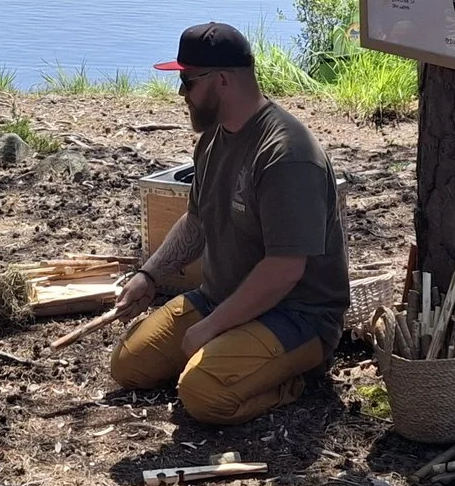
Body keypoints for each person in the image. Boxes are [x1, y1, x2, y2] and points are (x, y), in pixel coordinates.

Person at [110, 23, 351, 426]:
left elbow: (285, 270)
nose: (182, 94)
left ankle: (295, 381)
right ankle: (228, 360)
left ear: (223, 80)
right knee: (129, 366)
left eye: (187, 81)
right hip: (220, 297)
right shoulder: (212, 140)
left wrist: (209, 330)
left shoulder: (287, 155)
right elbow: (195, 223)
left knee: (202, 395)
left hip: (296, 317)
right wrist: (149, 275)